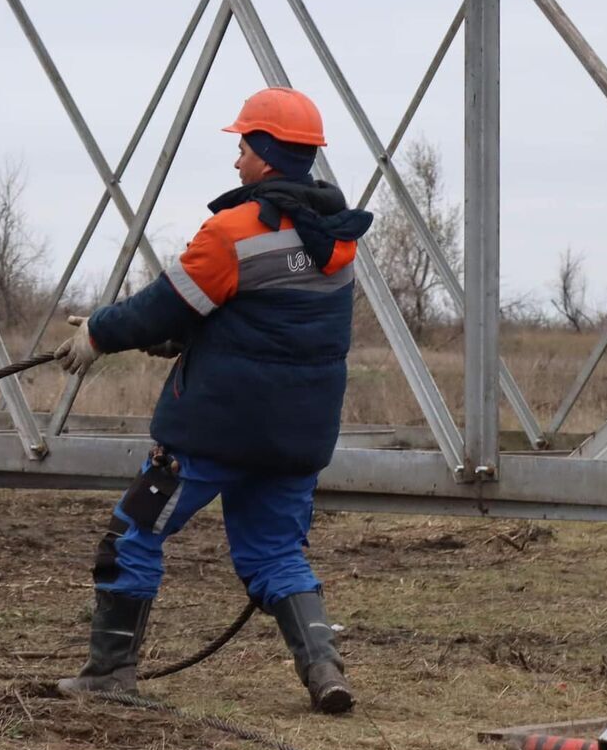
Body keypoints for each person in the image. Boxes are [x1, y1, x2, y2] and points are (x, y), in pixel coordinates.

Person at [53, 87, 372, 714]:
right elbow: (267, 321)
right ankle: (324, 670)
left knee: (134, 533)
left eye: (243, 147)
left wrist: (97, 334)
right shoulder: (339, 243)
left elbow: (163, 306)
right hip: (297, 436)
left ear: (267, 153)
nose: (236, 162)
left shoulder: (233, 232)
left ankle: (110, 675)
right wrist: (188, 333)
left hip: (214, 432)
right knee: (276, 550)